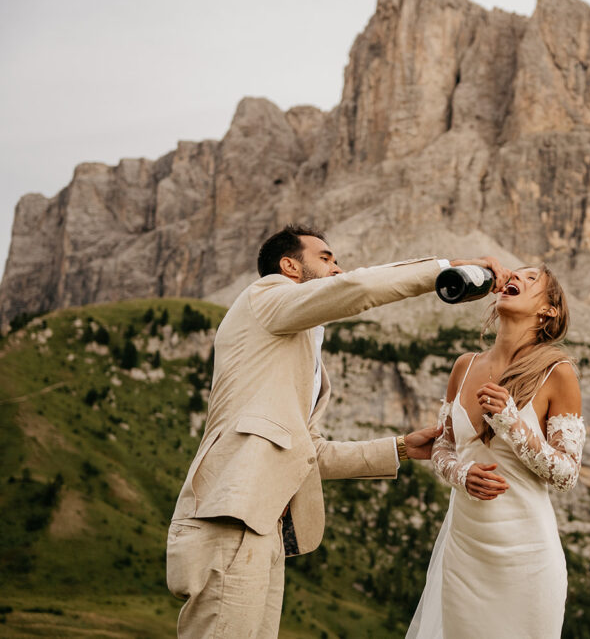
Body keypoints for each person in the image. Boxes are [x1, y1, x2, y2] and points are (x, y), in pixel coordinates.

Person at [165, 224, 510, 639]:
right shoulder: (265, 297)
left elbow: (309, 453)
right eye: (325, 258)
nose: (337, 267)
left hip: (264, 525)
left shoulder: (297, 340)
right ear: (289, 265)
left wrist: (400, 448)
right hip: (232, 513)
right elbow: (357, 288)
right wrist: (447, 267)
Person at [407, 265, 586, 639]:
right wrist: (461, 474)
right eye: (513, 274)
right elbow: (443, 444)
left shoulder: (558, 372)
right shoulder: (465, 365)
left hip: (526, 555)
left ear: (549, 310)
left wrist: (510, 421)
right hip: (465, 550)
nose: (514, 278)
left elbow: (567, 474)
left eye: (531, 277)